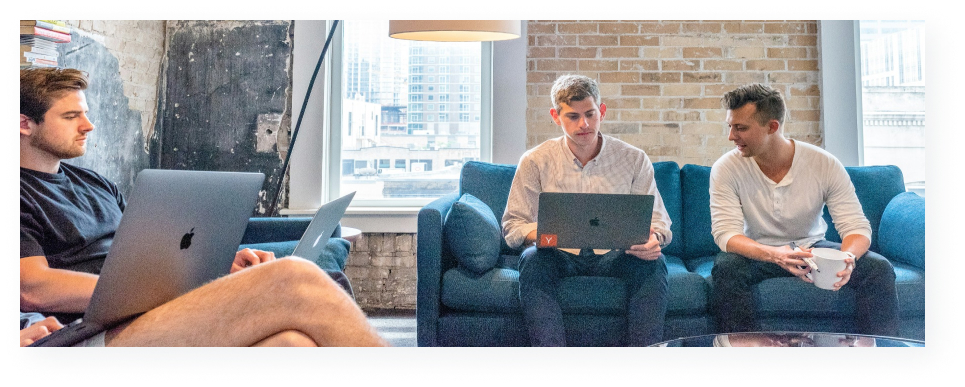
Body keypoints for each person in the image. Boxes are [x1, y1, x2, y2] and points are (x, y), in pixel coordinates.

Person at [20, 67, 388, 347]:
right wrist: (145, 291)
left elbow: (146, 256)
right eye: (70, 117)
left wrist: (212, 270)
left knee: (293, 344)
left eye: (84, 113)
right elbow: (33, 288)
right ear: (24, 124)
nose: (89, 125)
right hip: (85, 333)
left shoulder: (95, 183)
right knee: (294, 276)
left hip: (145, 311)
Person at [709, 83, 899, 336]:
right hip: (758, 251)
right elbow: (726, 234)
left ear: (772, 127)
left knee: (878, 269)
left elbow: (856, 227)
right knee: (727, 267)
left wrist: (849, 259)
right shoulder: (726, 168)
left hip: (812, 248)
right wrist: (776, 255)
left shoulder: (823, 164)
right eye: (730, 127)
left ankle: (884, 359)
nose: (731, 136)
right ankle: (744, 358)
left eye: (740, 128)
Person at [501, 74, 672, 346]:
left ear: (601, 111)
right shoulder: (535, 161)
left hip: (616, 255)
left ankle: (644, 364)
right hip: (558, 254)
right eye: (572, 117)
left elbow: (659, 223)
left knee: (655, 264)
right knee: (532, 260)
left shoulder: (634, 159)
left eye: (590, 114)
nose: (584, 124)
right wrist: (544, 234)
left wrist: (655, 241)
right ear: (556, 117)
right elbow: (513, 225)